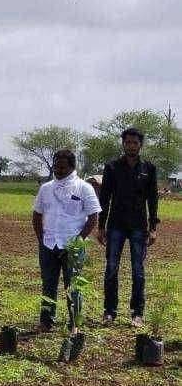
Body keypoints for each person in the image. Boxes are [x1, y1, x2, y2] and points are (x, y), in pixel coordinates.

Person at [97, 127, 159, 328]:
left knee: (138, 270)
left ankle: (137, 313)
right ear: (123, 144)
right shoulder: (112, 167)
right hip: (116, 225)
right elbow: (104, 198)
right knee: (112, 268)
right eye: (127, 142)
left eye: (135, 142)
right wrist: (101, 226)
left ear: (140, 145)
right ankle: (109, 311)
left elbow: (153, 199)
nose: (131, 145)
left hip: (139, 227)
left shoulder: (148, 169)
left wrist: (153, 227)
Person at [33, 149, 100, 331]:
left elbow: (93, 217)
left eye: (62, 167)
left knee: (73, 286)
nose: (58, 170)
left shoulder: (83, 187)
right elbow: (37, 215)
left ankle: (74, 324)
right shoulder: (45, 188)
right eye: (56, 166)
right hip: (49, 244)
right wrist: (41, 239)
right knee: (48, 285)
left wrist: (79, 241)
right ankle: (46, 321)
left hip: (73, 246)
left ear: (72, 167)